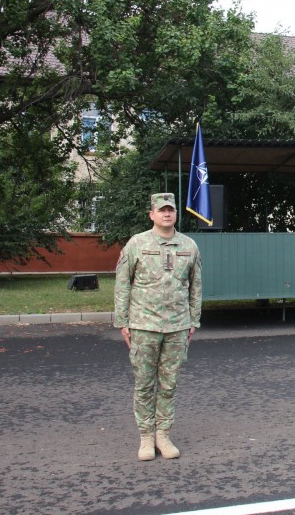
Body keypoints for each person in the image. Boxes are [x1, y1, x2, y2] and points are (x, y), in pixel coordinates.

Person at [114, 193, 202, 461]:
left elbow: (195, 286)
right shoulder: (137, 244)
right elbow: (122, 283)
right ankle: (146, 437)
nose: (167, 214)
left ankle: (163, 435)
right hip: (143, 325)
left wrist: (193, 320)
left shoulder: (189, 246)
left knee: (169, 384)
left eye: (171, 210)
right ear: (151, 214)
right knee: (143, 384)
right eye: (161, 210)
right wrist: (122, 322)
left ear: (176, 214)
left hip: (177, 326)